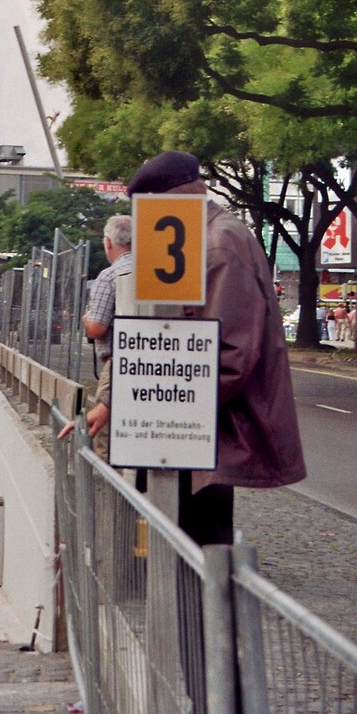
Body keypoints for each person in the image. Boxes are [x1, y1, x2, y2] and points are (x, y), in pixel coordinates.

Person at [60, 150, 306, 546]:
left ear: (164, 201)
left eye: (143, 209)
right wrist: (116, 404)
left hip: (200, 432)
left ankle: (198, 608)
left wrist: (148, 406)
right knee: (189, 543)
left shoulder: (215, 243)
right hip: (198, 429)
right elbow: (164, 339)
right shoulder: (205, 238)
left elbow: (227, 355)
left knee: (195, 549)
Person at [84, 215, 134, 368]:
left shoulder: (109, 276)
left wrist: (86, 318)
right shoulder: (156, 272)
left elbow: (96, 329)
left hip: (118, 362)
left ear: (108, 242)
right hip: (152, 358)